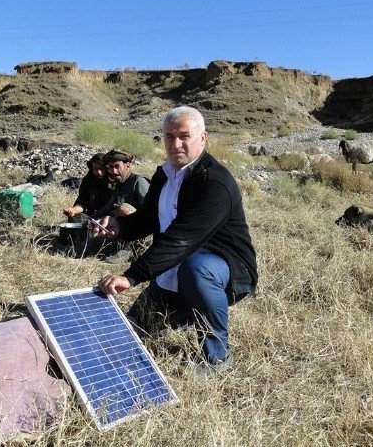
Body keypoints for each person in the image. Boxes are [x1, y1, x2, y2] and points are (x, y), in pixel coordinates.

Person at [96, 106, 258, 378]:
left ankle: (217, 357)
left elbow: (181, 239)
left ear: (203, 138)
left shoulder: (214, 182)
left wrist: (131, 277)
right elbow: (148, 219)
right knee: (135, 328)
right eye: (169, 137)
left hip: (221, 268)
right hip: (173, 268)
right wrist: (119, 226)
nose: (176, 144)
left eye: (184, 136)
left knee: (196, 267)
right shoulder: (164, 174)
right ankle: (183, 313)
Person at [93, 150, 150, 219]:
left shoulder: (139, 182)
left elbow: (150, 211)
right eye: (111, 167)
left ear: (127, 166)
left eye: (117, 166)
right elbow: (109, 207)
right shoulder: (119, 184)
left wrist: (130, 213)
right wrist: (91, 219)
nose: (114, 171)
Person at [62, 152, 112, 219]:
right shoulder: (88, 180)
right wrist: (73, 210)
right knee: (74, 217)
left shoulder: (114, 182)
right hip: (91, 217)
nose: (98, 172)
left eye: (101, 168)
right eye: (95, 168)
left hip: (108, 219)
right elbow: (82, 201)